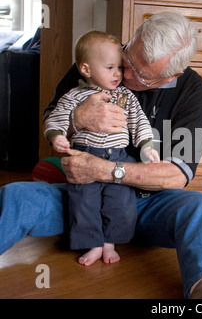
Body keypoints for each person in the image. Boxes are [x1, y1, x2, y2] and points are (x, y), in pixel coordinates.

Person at [0, 12, 202, 299]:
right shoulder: (101, 57)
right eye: (127, 59)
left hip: (146, 204)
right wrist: (78, 119)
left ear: (171, 75)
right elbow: (52, 123)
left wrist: (104, 170)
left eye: (140, 74)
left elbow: (178, 174)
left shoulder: (192, 91)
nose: (124, 75)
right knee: (17, 196)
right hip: (83, 198)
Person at [44, 30, 160, 266]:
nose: (118, 73)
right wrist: (56, 135)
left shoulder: (126, 96)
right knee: (83, 203)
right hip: (85, 156)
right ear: (86, 69)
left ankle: (110, 242)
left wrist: (147, 146)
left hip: (119, 156)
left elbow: (139, 122)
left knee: (120, 201)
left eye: (119, 67)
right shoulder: (74, 96)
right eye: (110, 68)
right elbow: (56, 118)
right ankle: (93, 243)